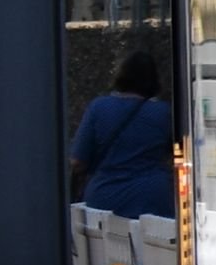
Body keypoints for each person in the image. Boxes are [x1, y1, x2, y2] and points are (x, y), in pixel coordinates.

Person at [72, 48, 179, 219]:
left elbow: (78, 162)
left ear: (121, 76)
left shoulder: (99, 108)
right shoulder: (163, 113)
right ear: (154, 80)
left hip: (104, 198)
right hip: (151, 198)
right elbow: (179, 155)